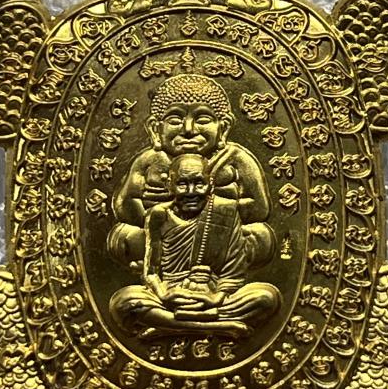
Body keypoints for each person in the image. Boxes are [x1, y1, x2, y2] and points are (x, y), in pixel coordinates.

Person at [107, 73, 275, 271]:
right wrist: (163, 213)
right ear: (155, 129)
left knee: (261, 235)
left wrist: (217, 205)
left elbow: (260, 209)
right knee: (123, 236)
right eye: (175, 120)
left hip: (221, 240)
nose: (188, 129)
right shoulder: (150, 161)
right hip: (164, 238)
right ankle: (159, 264)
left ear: (224, 128)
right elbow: (124, 207)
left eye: (202, 119)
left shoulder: (234, 158)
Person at [109, 154, 280, 338]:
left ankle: (169, 325)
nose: (191, 192)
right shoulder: (158, 215)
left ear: (210, 184)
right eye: (182, 184)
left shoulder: (226, 211)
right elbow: (151, 271)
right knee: (124, 303)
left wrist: (216, 298)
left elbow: (233, 271)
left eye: (199, 183)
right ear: (169, 185)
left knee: (266, 298)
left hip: (212, 297)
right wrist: (164, 294)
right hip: (171, 295)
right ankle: (221, 326)